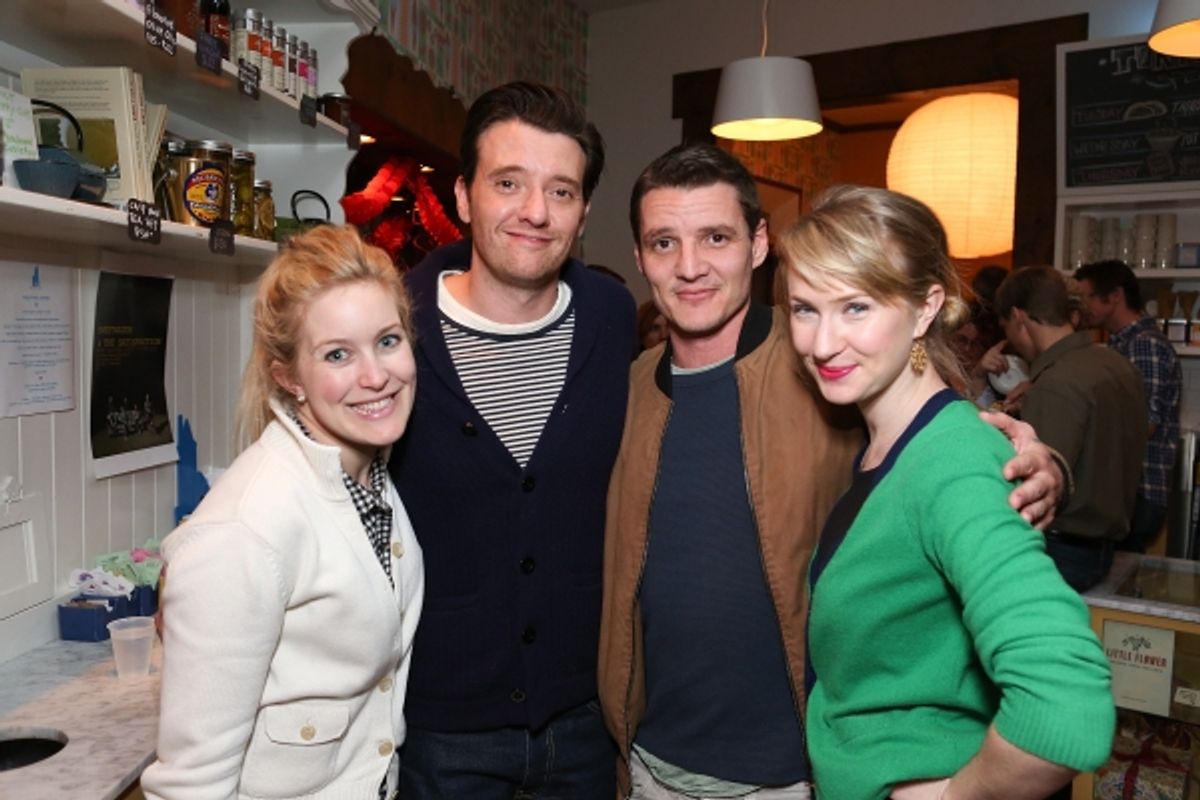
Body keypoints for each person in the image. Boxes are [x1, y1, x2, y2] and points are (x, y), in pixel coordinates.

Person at [598, 143, 1067, 800]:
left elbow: (937, 439)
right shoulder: (626, 390)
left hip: (797, 773)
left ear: (760, 244)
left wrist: (1039, 465)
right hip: (650, 762)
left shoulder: (829, 370)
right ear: (640, 256)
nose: (691, 266)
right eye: (663, 243)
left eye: (716, 237)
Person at [780, 185, 1113, 800]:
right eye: (804, 309)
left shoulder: (952, 458)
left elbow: (1067, 709)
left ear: (927, 307)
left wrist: (956, 795)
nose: (821, 343)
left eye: (856, 307)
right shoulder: (887, 442)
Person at [387, 81, 636, 798]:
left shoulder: (612, 319)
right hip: (437, 733)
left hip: (585, 727)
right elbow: (317, 469)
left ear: (584, 212)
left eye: (561, 192)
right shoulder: (394, 325)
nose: (535, 212)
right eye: (509, 184)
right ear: (463, 197)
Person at [141, 225, 425, 799]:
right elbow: (190, 784)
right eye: (338, 354)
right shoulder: (244, 530)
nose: (376, 376)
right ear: (288, 377)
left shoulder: (366, 473)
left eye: (388, 341)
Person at [996, 265, 1148, 591]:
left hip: (1061, 552)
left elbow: (1034, 486)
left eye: (1006, 325)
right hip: (1104, 548)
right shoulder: (1117, 365)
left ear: (1018, 317)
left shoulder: (1057, 382)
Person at [1075, 258, 1182, 552]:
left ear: (1116, 295)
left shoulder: (1144, 345)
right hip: (1128, 490)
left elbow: (1142, 424)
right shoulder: (1121, 345)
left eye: (1087, 297)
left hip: (1138, 490)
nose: (1082, 307)